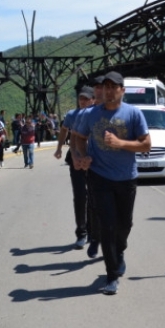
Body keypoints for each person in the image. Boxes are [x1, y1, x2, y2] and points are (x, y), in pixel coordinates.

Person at [70, 72, 151, 296]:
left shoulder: (133, 113)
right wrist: (80, 157)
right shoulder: (91, 114)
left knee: (125, 224)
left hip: (126, 178)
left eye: (114, 87)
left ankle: (120, 251)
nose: (109, 90)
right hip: (99, 176)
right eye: (105, 87)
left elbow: (146, 145)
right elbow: (77, 137)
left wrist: (120, 143)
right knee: (108, 226)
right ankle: (112, 275)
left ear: (122, 90)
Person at [55, 86, 101, 255]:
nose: (83, 101)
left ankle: (93, 233)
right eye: (81, 98)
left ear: (93, 99)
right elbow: (64, 131)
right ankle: (81, 233)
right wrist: (59, 148)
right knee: (80, 196)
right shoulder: (72, 115)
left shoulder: (98, 114)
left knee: (94, 198)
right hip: (76, 159)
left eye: (87, 99)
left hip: (95, 160)